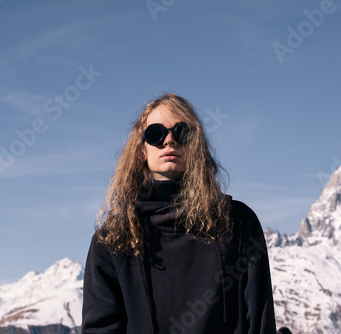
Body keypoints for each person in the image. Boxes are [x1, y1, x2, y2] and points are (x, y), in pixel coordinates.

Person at [82, 93, 276, 333]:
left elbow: (258, 321)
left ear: (196, 145)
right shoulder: (113, 238)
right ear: (141, 150)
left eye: (182, 132)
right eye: (155, 133)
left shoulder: (237, 223)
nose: (169, 140)